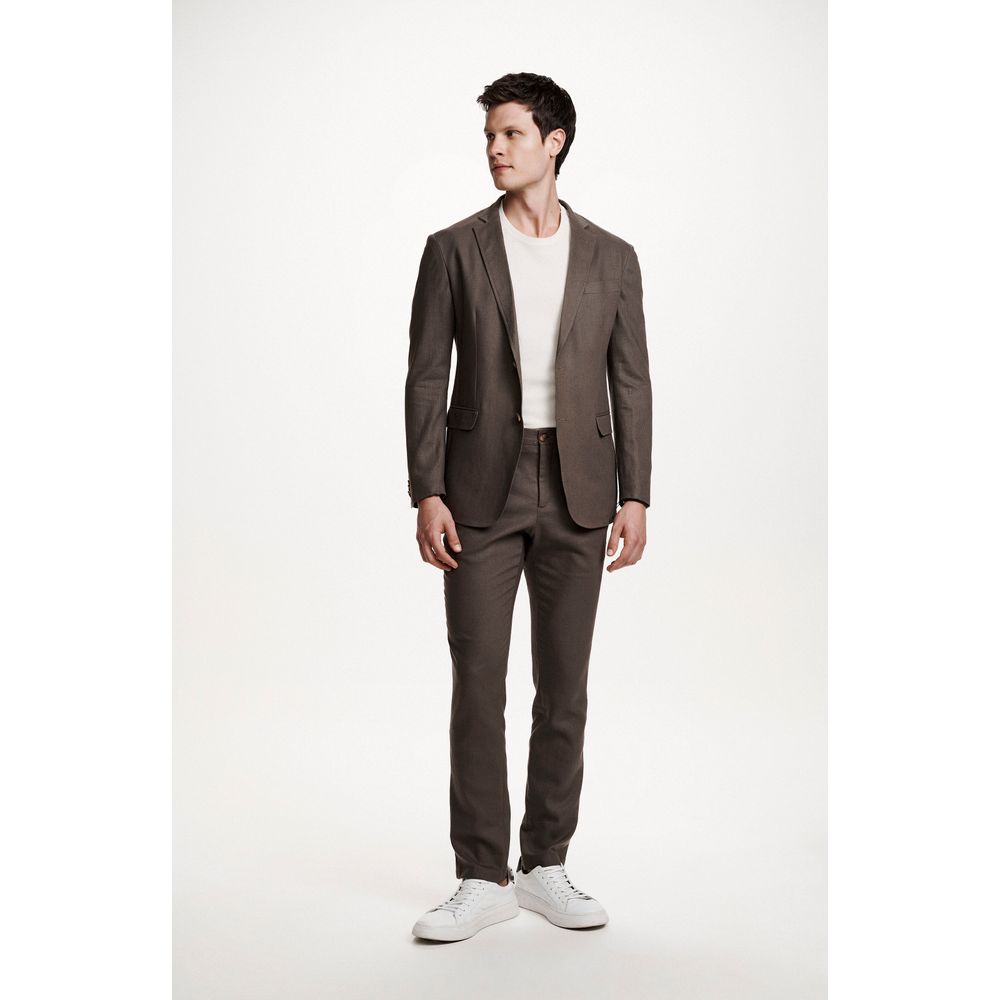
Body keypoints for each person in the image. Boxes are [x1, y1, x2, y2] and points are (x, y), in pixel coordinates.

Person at [405, 72, 652, 942]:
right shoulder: (453, 248)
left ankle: (545, 863)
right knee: (478, 683)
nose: (495, 149)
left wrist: (635, 493)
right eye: (489, 136)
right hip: (479, 488)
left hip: (581, 488)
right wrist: (426, 488)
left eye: (511, 134)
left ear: (555, 141)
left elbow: (631, 381)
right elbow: (426, 375)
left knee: (564, 687)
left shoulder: (612, 256)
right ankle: (482, 876)